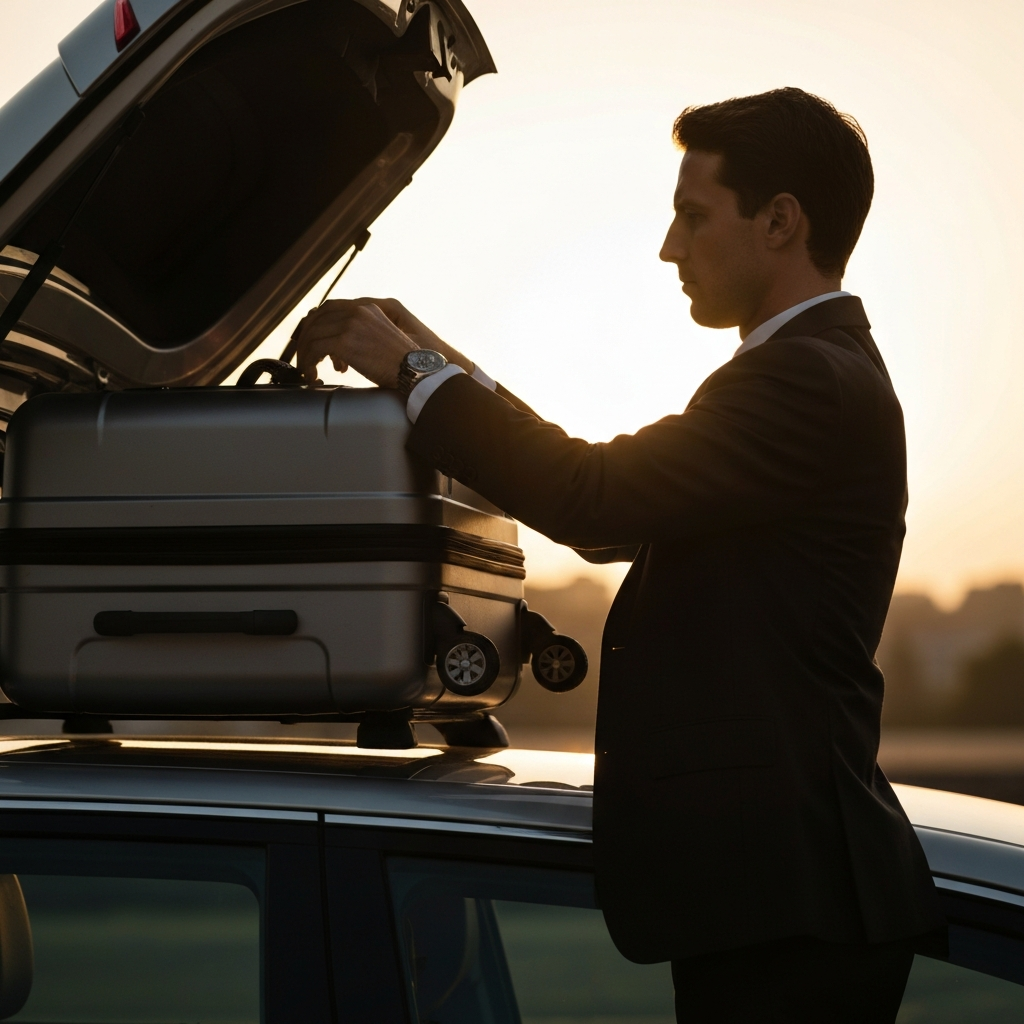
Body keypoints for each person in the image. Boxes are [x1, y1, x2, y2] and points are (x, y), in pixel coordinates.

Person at [293, 87, 943, 1023]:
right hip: (773, 899)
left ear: (781, 222)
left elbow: (588, 495)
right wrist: (429, 354)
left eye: (692, 214)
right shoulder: (810, 370)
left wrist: (409, 371)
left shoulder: (804, 379)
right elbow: (605, 520)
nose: (669, 247)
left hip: (790, 906)